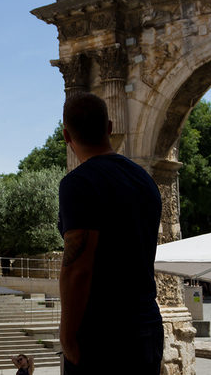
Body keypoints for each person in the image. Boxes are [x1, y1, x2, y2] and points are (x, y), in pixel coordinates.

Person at [57, 92, 163, 374]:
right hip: (148, 326)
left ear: (66, 136)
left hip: (105, 336)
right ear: (109, 127)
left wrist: (67, 337)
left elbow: (78, 269)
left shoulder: (77, 184)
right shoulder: (145, 180)